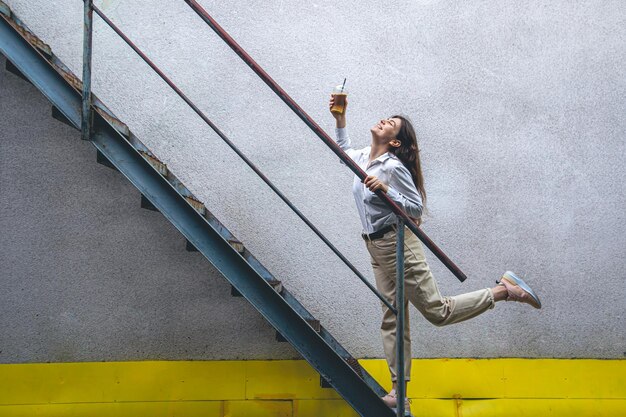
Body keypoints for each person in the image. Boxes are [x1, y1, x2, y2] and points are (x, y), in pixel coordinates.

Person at [328, 95, 542, 411]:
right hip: (374, 244)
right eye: (386, 117)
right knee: (392, 315)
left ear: (395, 143)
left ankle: (504, 291)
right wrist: (339, 118)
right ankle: (398, 391)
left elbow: (416, 206)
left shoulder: (392, 167)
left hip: (398, 244)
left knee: (436, 311)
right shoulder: (363, 156)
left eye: (391, 124)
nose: (383, 121)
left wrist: (386, 191)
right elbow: (342, 151)